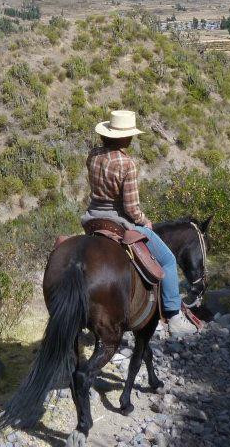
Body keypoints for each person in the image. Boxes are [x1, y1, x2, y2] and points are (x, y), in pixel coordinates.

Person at [82, 109, 197, 336]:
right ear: (126, 138)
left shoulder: (93, 154)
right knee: (167, 260)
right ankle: (174, 315)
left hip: (93, 219)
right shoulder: (128, 165)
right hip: (119, 222)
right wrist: (146, 221)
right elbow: (132, 209)